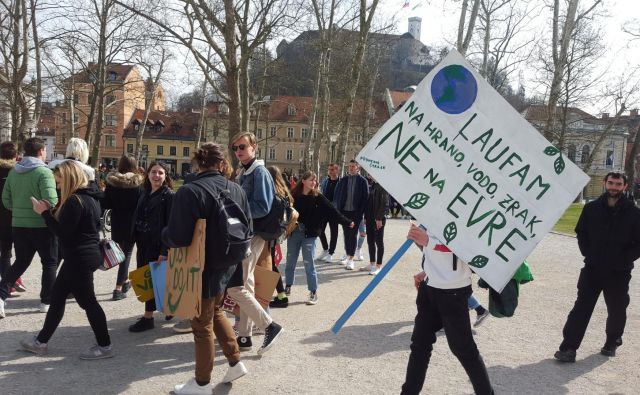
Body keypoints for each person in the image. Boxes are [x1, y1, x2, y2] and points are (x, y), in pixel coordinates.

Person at [163, 143, 249, 394]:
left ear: (197, 164)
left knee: (201, 325)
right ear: (222, 164)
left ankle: (201, 383)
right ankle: (234, 362)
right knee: (217, 310)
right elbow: (248, 226)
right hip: (229, 262)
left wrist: (163, 235)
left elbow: (178, 236)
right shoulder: (236, 189)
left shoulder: (190, 191)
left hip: (201, 266)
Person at [20, 161, 113, 359]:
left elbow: (62, 232)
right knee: (57, 298)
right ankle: (41, 342)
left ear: (69, 179)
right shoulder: (90, 198)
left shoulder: (74, 200)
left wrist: (44, 213)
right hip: (83, 255)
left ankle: (105, 346)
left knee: (88, 302)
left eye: (59, 182)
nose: (57, 186)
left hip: (79, 257)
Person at [554, 172, 640, 362]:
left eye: (618, 184)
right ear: (604, 183)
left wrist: (623, 259)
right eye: (611, 183)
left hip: (619, 271)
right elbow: (581, 233)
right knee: (581, 308)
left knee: (617, 308)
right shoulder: (591, 209)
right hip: (592, 268)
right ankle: (568, 348)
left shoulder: (634, 213)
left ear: (624, 186)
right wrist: (588, 253)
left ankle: (612, 341)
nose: (614, 187)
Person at [402, 224, 493, 395]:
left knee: (464, 350)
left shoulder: (468, 209)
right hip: (429, 288)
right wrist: (428, 269)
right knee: (419, 346)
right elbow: (435, 247)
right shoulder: (434, 208)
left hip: (454, 291)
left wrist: (428, 241)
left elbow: (467, 249)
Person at [0, 137, 58, 317]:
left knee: (21, 262)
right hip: (41, 225)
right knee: (49, 262)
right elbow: (52, 200)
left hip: (18, 224)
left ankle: (1, 296)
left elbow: (6, 200)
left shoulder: (14, 172)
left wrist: (18, 210)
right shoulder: (44, 172)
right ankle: (46, 301)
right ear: (41, 151)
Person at [230, 131, 277, 350]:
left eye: (242, 147)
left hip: (255, 233)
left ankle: (268, 325)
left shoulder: (259, 172)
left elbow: (263, 206)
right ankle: (245, 336)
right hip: (247, 232)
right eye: (235, 148)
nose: (238, 151)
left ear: (254, 147)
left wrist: (237, 211)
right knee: (246, 281)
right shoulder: (244, 171)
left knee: (239, 282)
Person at [284, 171, 353, 305]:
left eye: (315, 181)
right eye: (311, 180)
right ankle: (287, 286)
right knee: (290, 261)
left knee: (309, 263)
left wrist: (347, 221)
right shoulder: (293, 196)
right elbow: (285, 211)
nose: (313, 183)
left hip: (309, 235)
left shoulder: (318, 197)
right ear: (303, 181)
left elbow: (332, 211)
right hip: (295, 232)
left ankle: (313, 292)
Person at [128, 162, 174, 332]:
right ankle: (168, 309)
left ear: (165, 176)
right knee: (147, 277)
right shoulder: (145, 193)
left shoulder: (168, 196)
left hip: (157, 245)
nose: (156, 176)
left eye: (160, 173)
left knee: (153, 280)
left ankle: (148, 318)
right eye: (153, 172)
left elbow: (170, 225)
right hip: (143, 242)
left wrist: (165, 250)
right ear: (147, 174)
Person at [102, 154, 144, 300]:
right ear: (134, 165)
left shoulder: (112, 183)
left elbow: (106, 204)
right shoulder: (138, 184)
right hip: (133, 223)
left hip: (117, 223)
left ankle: (125, 281)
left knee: (121, 254)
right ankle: (118, 288)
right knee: (126, 256)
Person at [0, 142, 27, 295]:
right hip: (17, 216)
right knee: (22, 253)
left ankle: (9, 282)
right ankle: (13, 280)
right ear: (16, 155)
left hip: (2, 219)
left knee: (5, 253)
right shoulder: (20, 172)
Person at [333, 159, 369, 270]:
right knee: (346, 234)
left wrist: (361, 213)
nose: (351, 168)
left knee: (353, 234)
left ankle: (351, 259)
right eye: (350, 166)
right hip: (344, 212)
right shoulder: (343, 180)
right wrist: (338, 210)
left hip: (356, 213)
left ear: (358, 168)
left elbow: (365, 198)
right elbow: (337, 195)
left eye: (353, 166)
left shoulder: (362, 181)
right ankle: (348, 255)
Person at [267, 165, 295, 308]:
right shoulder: (284, 191)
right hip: (278, 232)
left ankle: (281, 296)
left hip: (269, 233)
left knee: (269, 264)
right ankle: (281, 294)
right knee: (271, 264)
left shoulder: (271, 191)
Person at [359, 176, 389, 275]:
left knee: (379, 242)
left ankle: (378, 266)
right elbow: (368, 204)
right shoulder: (372, 185)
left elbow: (385, 204)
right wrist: (365, 217)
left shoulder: (383, 185)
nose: (369, 175)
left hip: (378, 219)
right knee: (370, 241)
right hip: (370, 218)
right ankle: (372, 264)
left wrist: (379, 218)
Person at [317, 163, 341, 263]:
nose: (330, 171)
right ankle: (325, 249)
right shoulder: (325, 181)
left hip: (334, 211)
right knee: (320, 230)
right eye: (329, 170)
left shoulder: (341, 182)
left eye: (332, 169)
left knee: (334, 232)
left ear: (337, 170)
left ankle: (331, 253)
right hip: (324, 210)